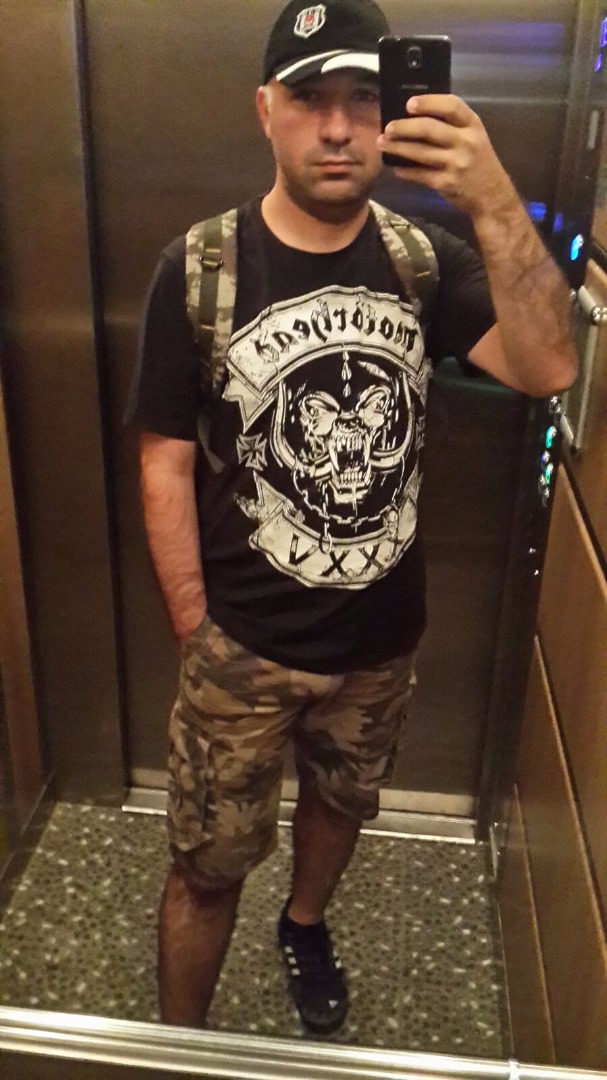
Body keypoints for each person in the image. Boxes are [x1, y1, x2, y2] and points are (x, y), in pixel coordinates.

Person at [128, 0, 576, 1035]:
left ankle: (304, 923)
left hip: (380, 644)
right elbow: (163, 458)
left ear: (392, 111)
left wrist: (494, 197)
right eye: (308, 98)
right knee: (204, 868)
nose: (336, 128)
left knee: (342, 805)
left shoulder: (427, 260)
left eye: (362, 98)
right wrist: (198, 628)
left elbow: (549, 364)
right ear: (265, 111)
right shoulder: (198, 269)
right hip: (241, 645)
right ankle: (178, 1046)